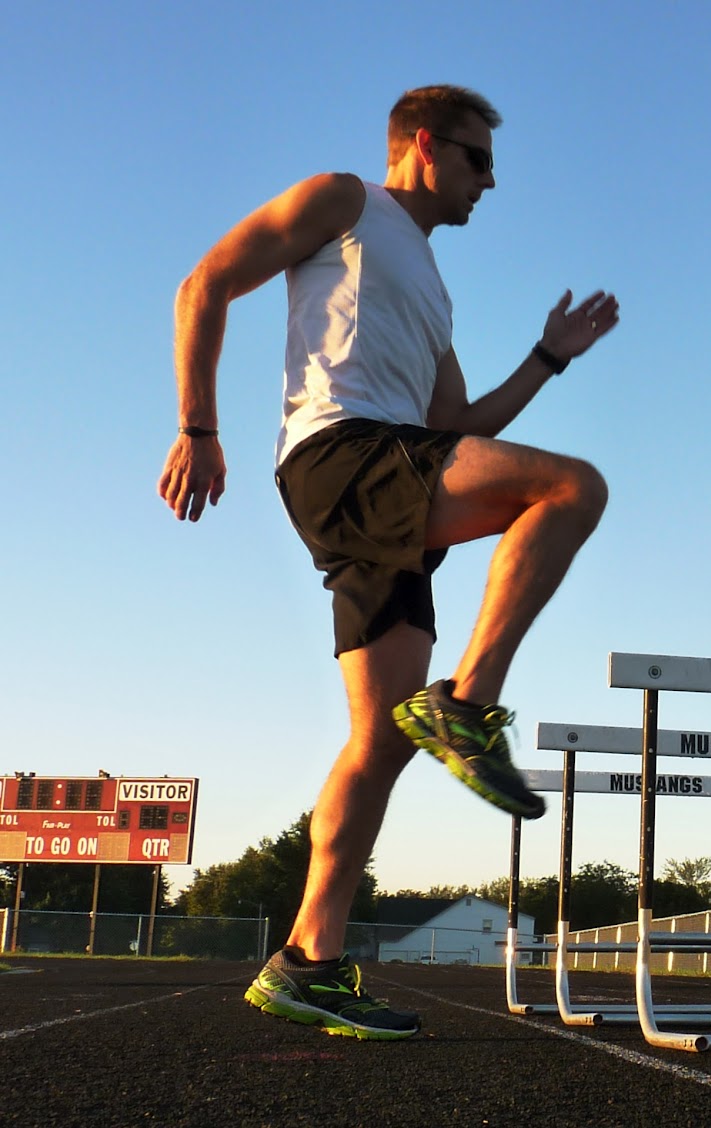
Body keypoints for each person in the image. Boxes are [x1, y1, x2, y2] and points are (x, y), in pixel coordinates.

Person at [158, 85, 615, 1040]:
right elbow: (205, 283)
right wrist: (197, 425)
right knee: (573, 488)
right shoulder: (345, 200)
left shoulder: (434, 293)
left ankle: (306, 962)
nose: (491, 181)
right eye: (478, 159)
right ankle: (469, 700)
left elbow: (461, 428)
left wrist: (549, 356)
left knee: (379, 742)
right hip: (342, 453)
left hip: (393, 467)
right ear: (422, 144)